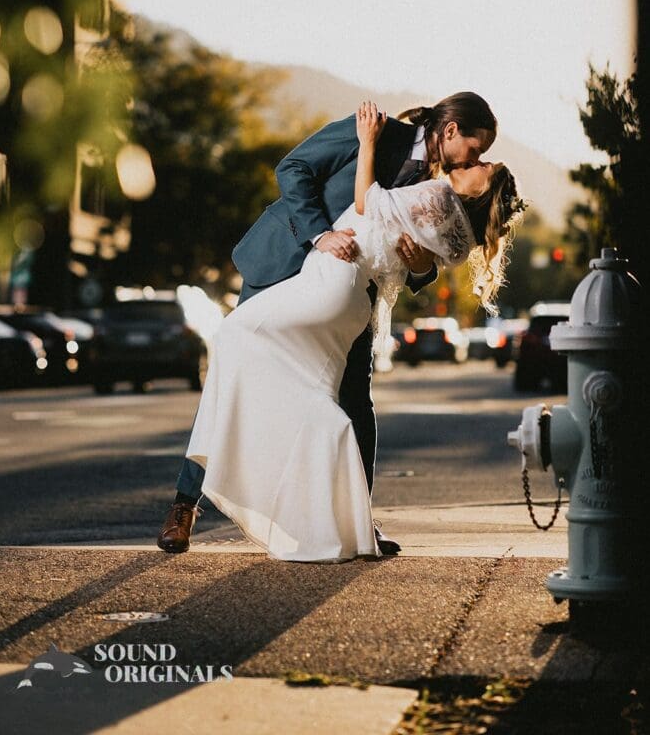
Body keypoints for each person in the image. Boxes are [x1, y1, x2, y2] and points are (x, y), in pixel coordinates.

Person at [179, 101, 523, 562]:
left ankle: (356, 519)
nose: (474, 160)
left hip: (349, 290)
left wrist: (421, 267)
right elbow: (293, 168)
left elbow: (419, 252)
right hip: (286, 262)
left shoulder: (440, 186)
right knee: (236, 367)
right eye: (475, 149)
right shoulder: (376, 132)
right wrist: (320, 234)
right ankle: (185, 505)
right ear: (451, 130)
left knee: (355, 399)